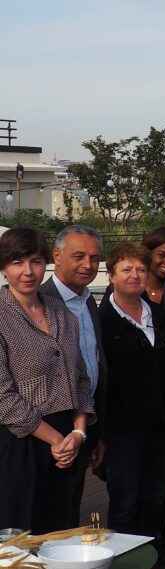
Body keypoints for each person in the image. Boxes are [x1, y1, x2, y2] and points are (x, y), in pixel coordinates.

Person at [97, 241, 165, 569]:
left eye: (141, 269)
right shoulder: (101, 320)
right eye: (126, 269)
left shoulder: (158, 315)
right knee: (126, 501)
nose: (134, 275)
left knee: (156, 498)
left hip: (160, 425)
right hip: (122, 429)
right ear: (111, 274)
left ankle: (150, 568)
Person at [0, 228, 94, 533]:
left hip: (68, 444)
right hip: (21, 444)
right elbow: (3, 397)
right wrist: (56, 440)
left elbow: (80, 378)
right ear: (4, 268)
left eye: (36, 261)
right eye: (17, 262)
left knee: (62, 532)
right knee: (22, 537)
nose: (28, 272)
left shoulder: (60, 311)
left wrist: (78, 433)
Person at [40, 225, 105, 532]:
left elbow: (93, 366)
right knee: (42, 518)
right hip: (43, 428)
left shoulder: (88, 299)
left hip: (82, 422)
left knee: (69, 511)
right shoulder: (38, 300)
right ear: (57, 256)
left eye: (94, 258)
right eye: (79, 256)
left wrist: (94, 431)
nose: (88, 265)